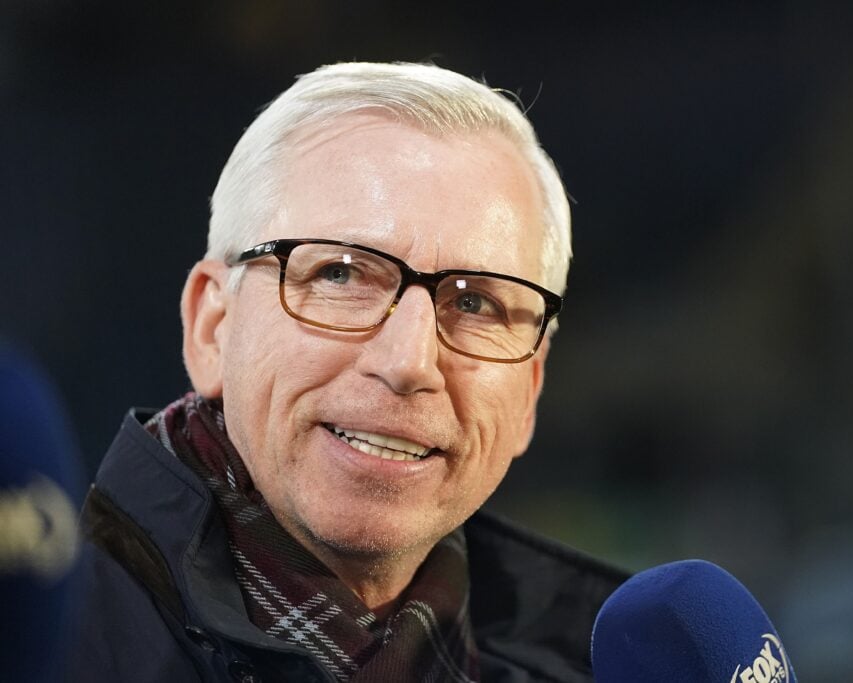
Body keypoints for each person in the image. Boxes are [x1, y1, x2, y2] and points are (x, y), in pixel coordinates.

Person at [71, 62, 627, 682]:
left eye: (475, 304)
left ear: (528, 392)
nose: (409, 362)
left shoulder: (610, 669)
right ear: (212, 327)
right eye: (340, 274)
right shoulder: (38, 645)